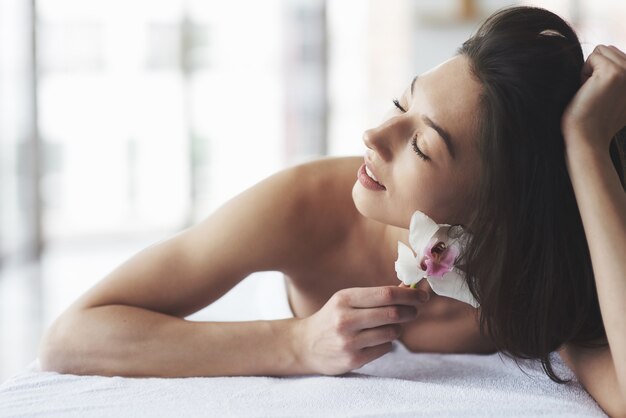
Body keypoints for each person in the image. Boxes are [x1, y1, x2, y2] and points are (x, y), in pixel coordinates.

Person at [39, 6, 626, 416]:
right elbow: (72, 336)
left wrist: (585, 148)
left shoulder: (539, 275)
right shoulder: (306, 205)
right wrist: (297, 344)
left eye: (422, 144)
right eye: (402, 102)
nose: (375, 134)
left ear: (500, 210)